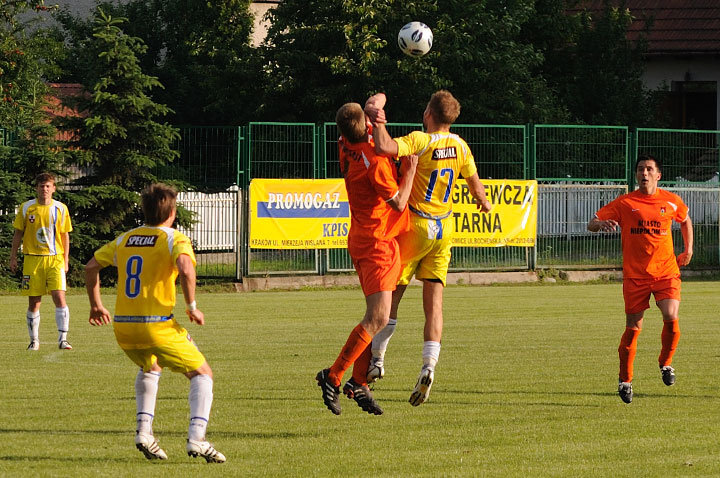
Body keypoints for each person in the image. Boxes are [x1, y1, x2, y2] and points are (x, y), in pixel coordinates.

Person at [364, 90, 492, 406]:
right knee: (434, 305)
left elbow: (384, 146)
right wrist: (483, 201)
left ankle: (377, 360)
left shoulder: (422, 140)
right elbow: (475, 184)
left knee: (391, 295)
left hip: (416, 227)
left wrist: (379, 120)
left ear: (428, 113)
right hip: (444, 229)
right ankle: (428, 366)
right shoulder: (460, 146)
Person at [84, 183, 226, 462]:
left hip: (124, 327)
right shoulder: (174, 238)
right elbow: (186, 269)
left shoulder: (125, 239)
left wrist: (96, 305)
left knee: (151, 366)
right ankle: (198, 438)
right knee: (203, 374)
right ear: (172, 212)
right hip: (157, 325)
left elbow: (90, 267)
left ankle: (144, 433)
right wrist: (192, 306)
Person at [316, 97, 417, 415]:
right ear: (367, 126)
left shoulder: (346, 140)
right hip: (377, 243)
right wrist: (410, 170)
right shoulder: (372, 162)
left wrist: (378, 108)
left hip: (368, 238)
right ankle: (333, 376)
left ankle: (359, 381)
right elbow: (399, 203)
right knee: (377, 317)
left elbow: (374, 100)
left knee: (378, 317)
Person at [588, 154, 693, 404]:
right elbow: (591, 222)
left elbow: (686, 219)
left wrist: (688, 249)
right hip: (635, 276)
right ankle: (625, 380)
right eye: (640, 169)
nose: (643, 173)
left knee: (671, 316)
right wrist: (600, 224)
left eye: (648, 169)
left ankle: (666, 364)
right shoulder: (625, 203)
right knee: (634, 328)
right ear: (636, 175)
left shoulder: (670, 201)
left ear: (658, 175)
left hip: (666, 271)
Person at [10, 172, 73, 351]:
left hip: (55, 259)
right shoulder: (26, 208)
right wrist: (13, 256)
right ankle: (34, 340)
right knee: (34, 301)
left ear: (53, 189)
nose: (44, 189)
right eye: (41, 186)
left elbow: (65, 235)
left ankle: (63, 339)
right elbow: (18, 234)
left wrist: (65, 259)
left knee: (59, 297)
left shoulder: (61, 208)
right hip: (32, 259)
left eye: (47, 186)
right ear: (36, 188)